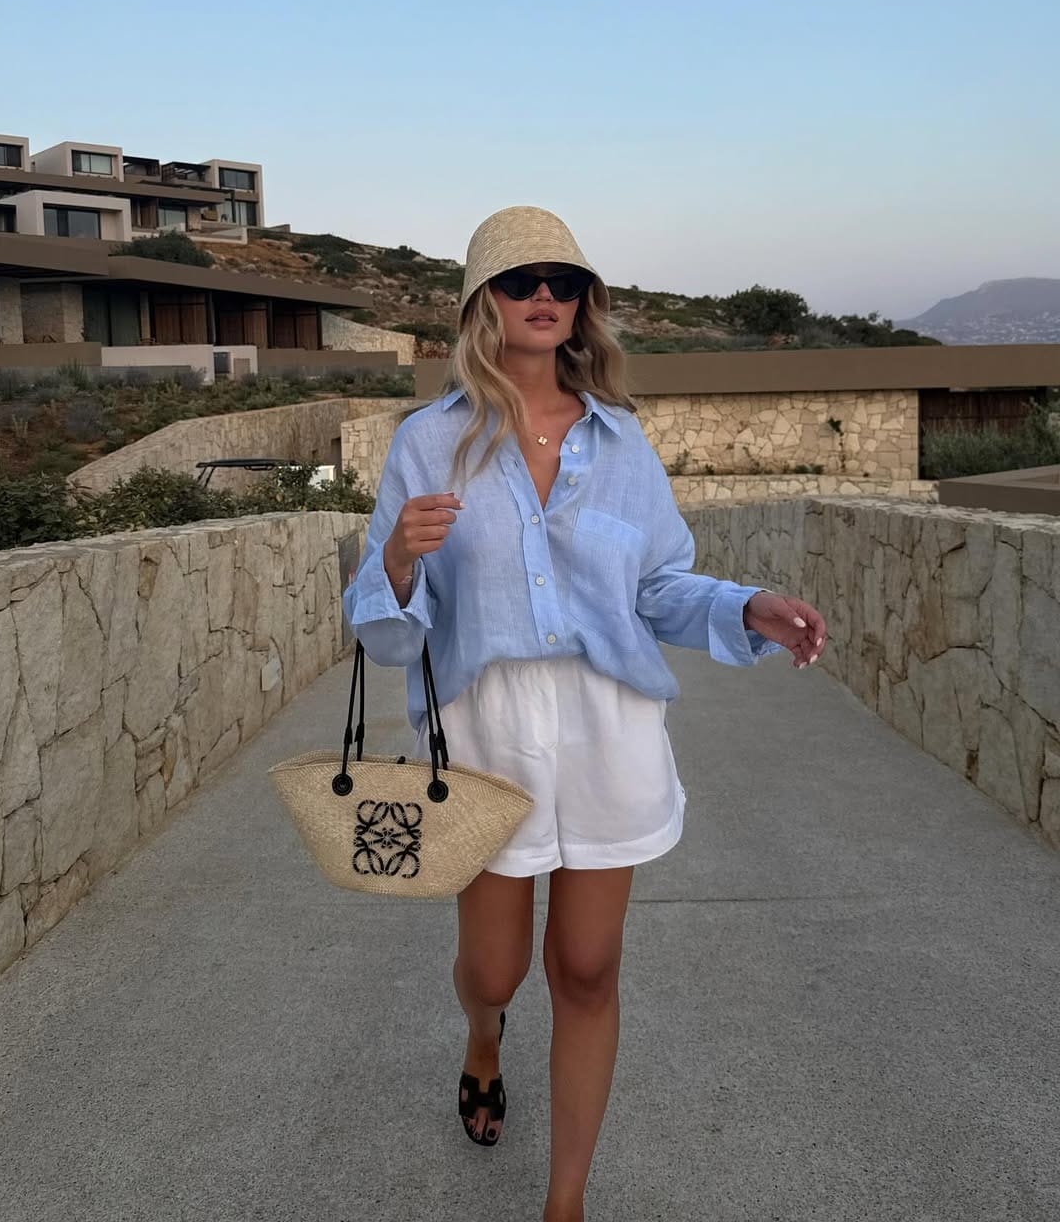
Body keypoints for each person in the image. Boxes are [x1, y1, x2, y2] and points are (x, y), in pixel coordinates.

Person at [342, 205, 828, 1222]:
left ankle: (565, 1203)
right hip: (485, 728)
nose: (547, 297)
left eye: (565, 280)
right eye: (523, 282)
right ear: (484, 303)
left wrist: (744, 607)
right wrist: (394, 565)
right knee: (496, 966)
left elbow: (659, 588)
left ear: (585, 302)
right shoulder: (428, 445)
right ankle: (484, 1036)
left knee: (589, 965)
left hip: (608, 722)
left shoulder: (621, 443)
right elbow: (382, 626)